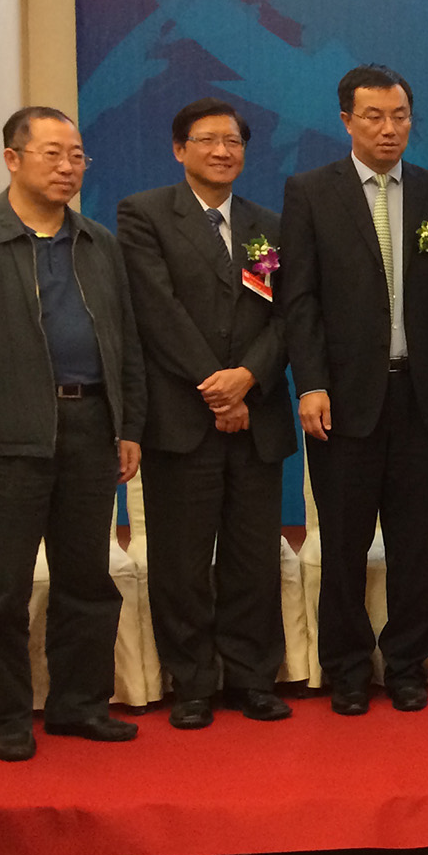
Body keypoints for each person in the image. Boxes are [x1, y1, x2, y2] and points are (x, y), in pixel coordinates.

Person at [0, 108, 145, 761]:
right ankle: (9, 715)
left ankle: (79, 705)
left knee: (86, 581)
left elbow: (125, 343)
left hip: (90, 429)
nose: (68, 167)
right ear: (12, 159)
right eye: (52, 154)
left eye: (77, 156)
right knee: (1, 590)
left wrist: (129, 425)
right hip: (4, 437)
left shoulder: (98, 243)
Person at [278, 64, 428, 716]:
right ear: (346, 121)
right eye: (374, 117)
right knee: (345, 543)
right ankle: (348, 667)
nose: (389, 129)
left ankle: (407, 663)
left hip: (419, 397)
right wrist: (311, 383)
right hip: (343, 399)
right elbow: (299, 299)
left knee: (414, 542)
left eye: (400, 116)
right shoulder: (310, 192)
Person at [118, 98, 293, 730]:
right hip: (182, 420)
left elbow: (287, 314)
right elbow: (156, 310)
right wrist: (218, 390)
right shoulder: (143, 215)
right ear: (179, 149)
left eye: (234, 142)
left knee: (253, 559)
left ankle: (252, 678)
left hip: (256, 417)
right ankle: (192, 681)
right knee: (182, 560)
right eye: (208, 140)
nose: (223, 151)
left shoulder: (269, 225)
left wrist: (248, 378)